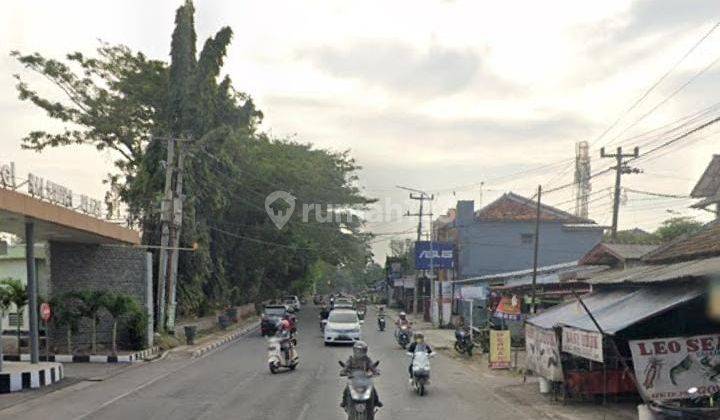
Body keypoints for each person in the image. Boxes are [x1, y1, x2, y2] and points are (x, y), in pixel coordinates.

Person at [340, 341, 383, 408]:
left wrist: (375, 371)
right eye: (358, 350)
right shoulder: (351, 359)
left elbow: (371, 366)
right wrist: (343, 371)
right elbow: (346, 367)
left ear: (365, 351)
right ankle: (344, 402)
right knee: (347, 389)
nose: (359, 352)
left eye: (361, 350)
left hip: (364, 379)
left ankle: (376, 401)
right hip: (353, 378)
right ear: (354, 350)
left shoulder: (367, 359)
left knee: (372, 389)